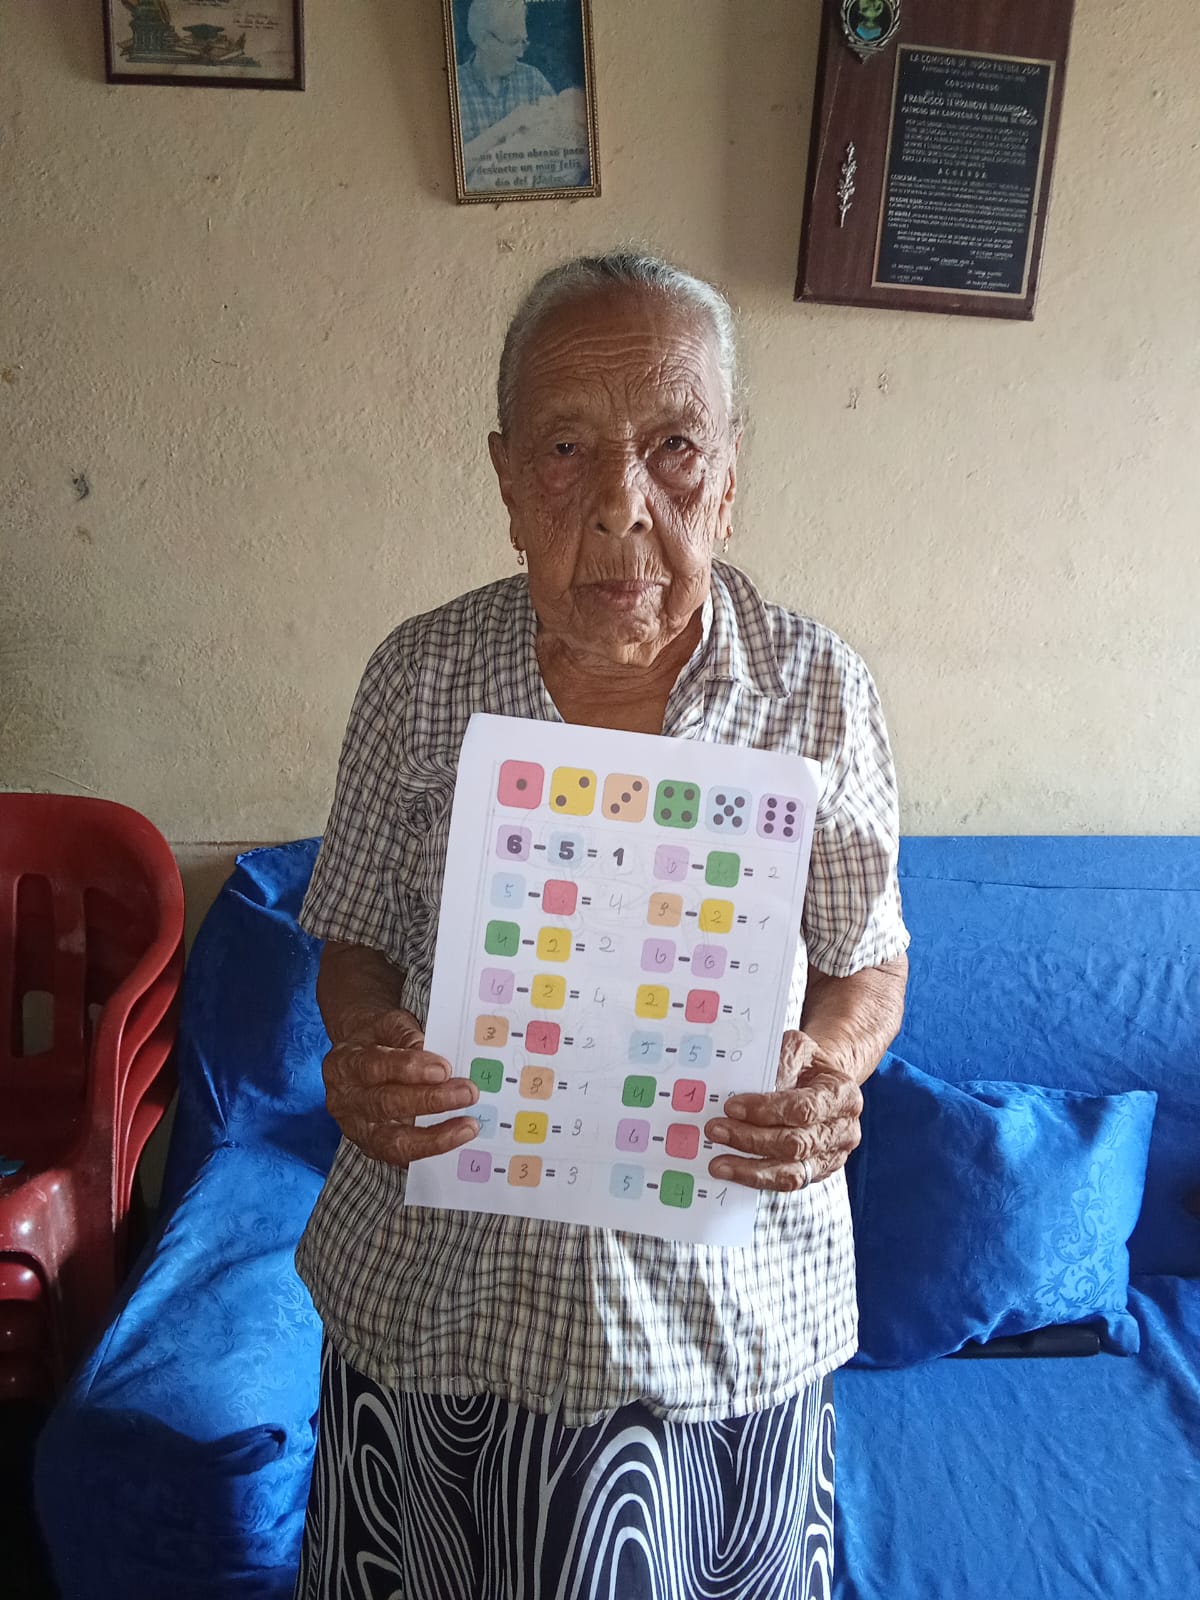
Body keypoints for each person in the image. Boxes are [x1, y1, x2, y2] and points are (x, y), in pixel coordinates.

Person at [293, 252, 910, 1600]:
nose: (625, 504)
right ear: (510, 481)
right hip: (444, 1306)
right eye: (568, 449)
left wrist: (829, 1066)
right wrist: (368, 1046)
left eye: (675, 447)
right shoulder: (419, 677)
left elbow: (869, 961)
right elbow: (355, 939)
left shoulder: (819, 692)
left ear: (730, 476)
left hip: (723, 1324)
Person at [456, 0, 555, 147]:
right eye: (513, 42)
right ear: (484, 40)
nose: (521, 54)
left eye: (523, 42)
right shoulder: (455, 88)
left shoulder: (533, 81)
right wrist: (506, 126)